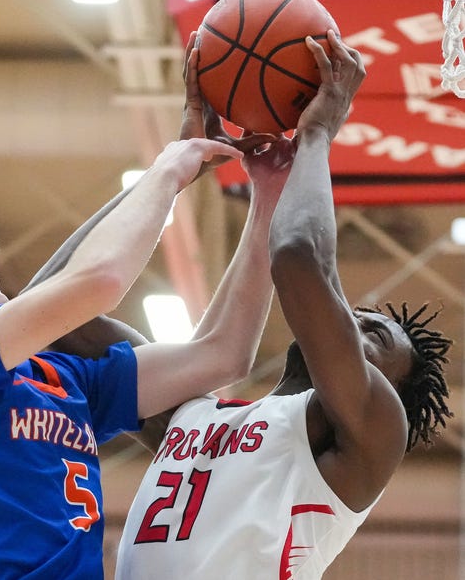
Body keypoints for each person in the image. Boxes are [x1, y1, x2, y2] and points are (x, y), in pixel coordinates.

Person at [0, 50, 283, 576]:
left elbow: (223, 354)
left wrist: (268, 193)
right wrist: (166, 173)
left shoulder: (59, 375)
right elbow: (97, 282)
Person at [111, 30, 453, 580]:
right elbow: (57, 316)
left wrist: (317, 135)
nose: (352, 321)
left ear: (388, 390)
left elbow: (297, 258)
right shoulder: (188, 417)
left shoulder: (373, 427)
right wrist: (170, 171)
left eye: (374, 339)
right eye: (358, 316)